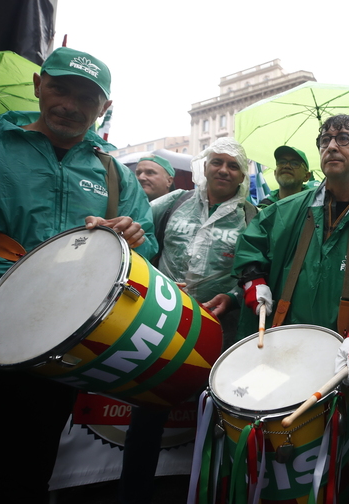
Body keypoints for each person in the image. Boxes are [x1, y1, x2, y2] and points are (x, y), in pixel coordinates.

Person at [0, 46, 156, 504]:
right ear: (39, 85)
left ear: (104, 108)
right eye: (60, 88)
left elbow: (144, 251)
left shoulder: (115, 174)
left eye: (87, 98)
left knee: (26, 473)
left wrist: (133, 237)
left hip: (54, 342)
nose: (70, 105)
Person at [215, 114, 349, 503]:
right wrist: (254, 278)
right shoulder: (288, 210)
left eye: (345, 139)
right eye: (325, 140)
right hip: (287, 359)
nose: (331, 145)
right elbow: (254, 243)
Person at [119, 137, 255, 504]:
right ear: (204, 166)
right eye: (218, 162)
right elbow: (141, 244)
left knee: (214, 418)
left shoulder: (254, 216)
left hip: (220, 334)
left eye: (233, 165)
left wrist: (234, 297)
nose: (224, 170)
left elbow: (261, 272)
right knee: (147, 416)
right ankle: (135, 494)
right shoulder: (170, 204)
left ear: (243, 174)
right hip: (165, 325)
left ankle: (209, 493)